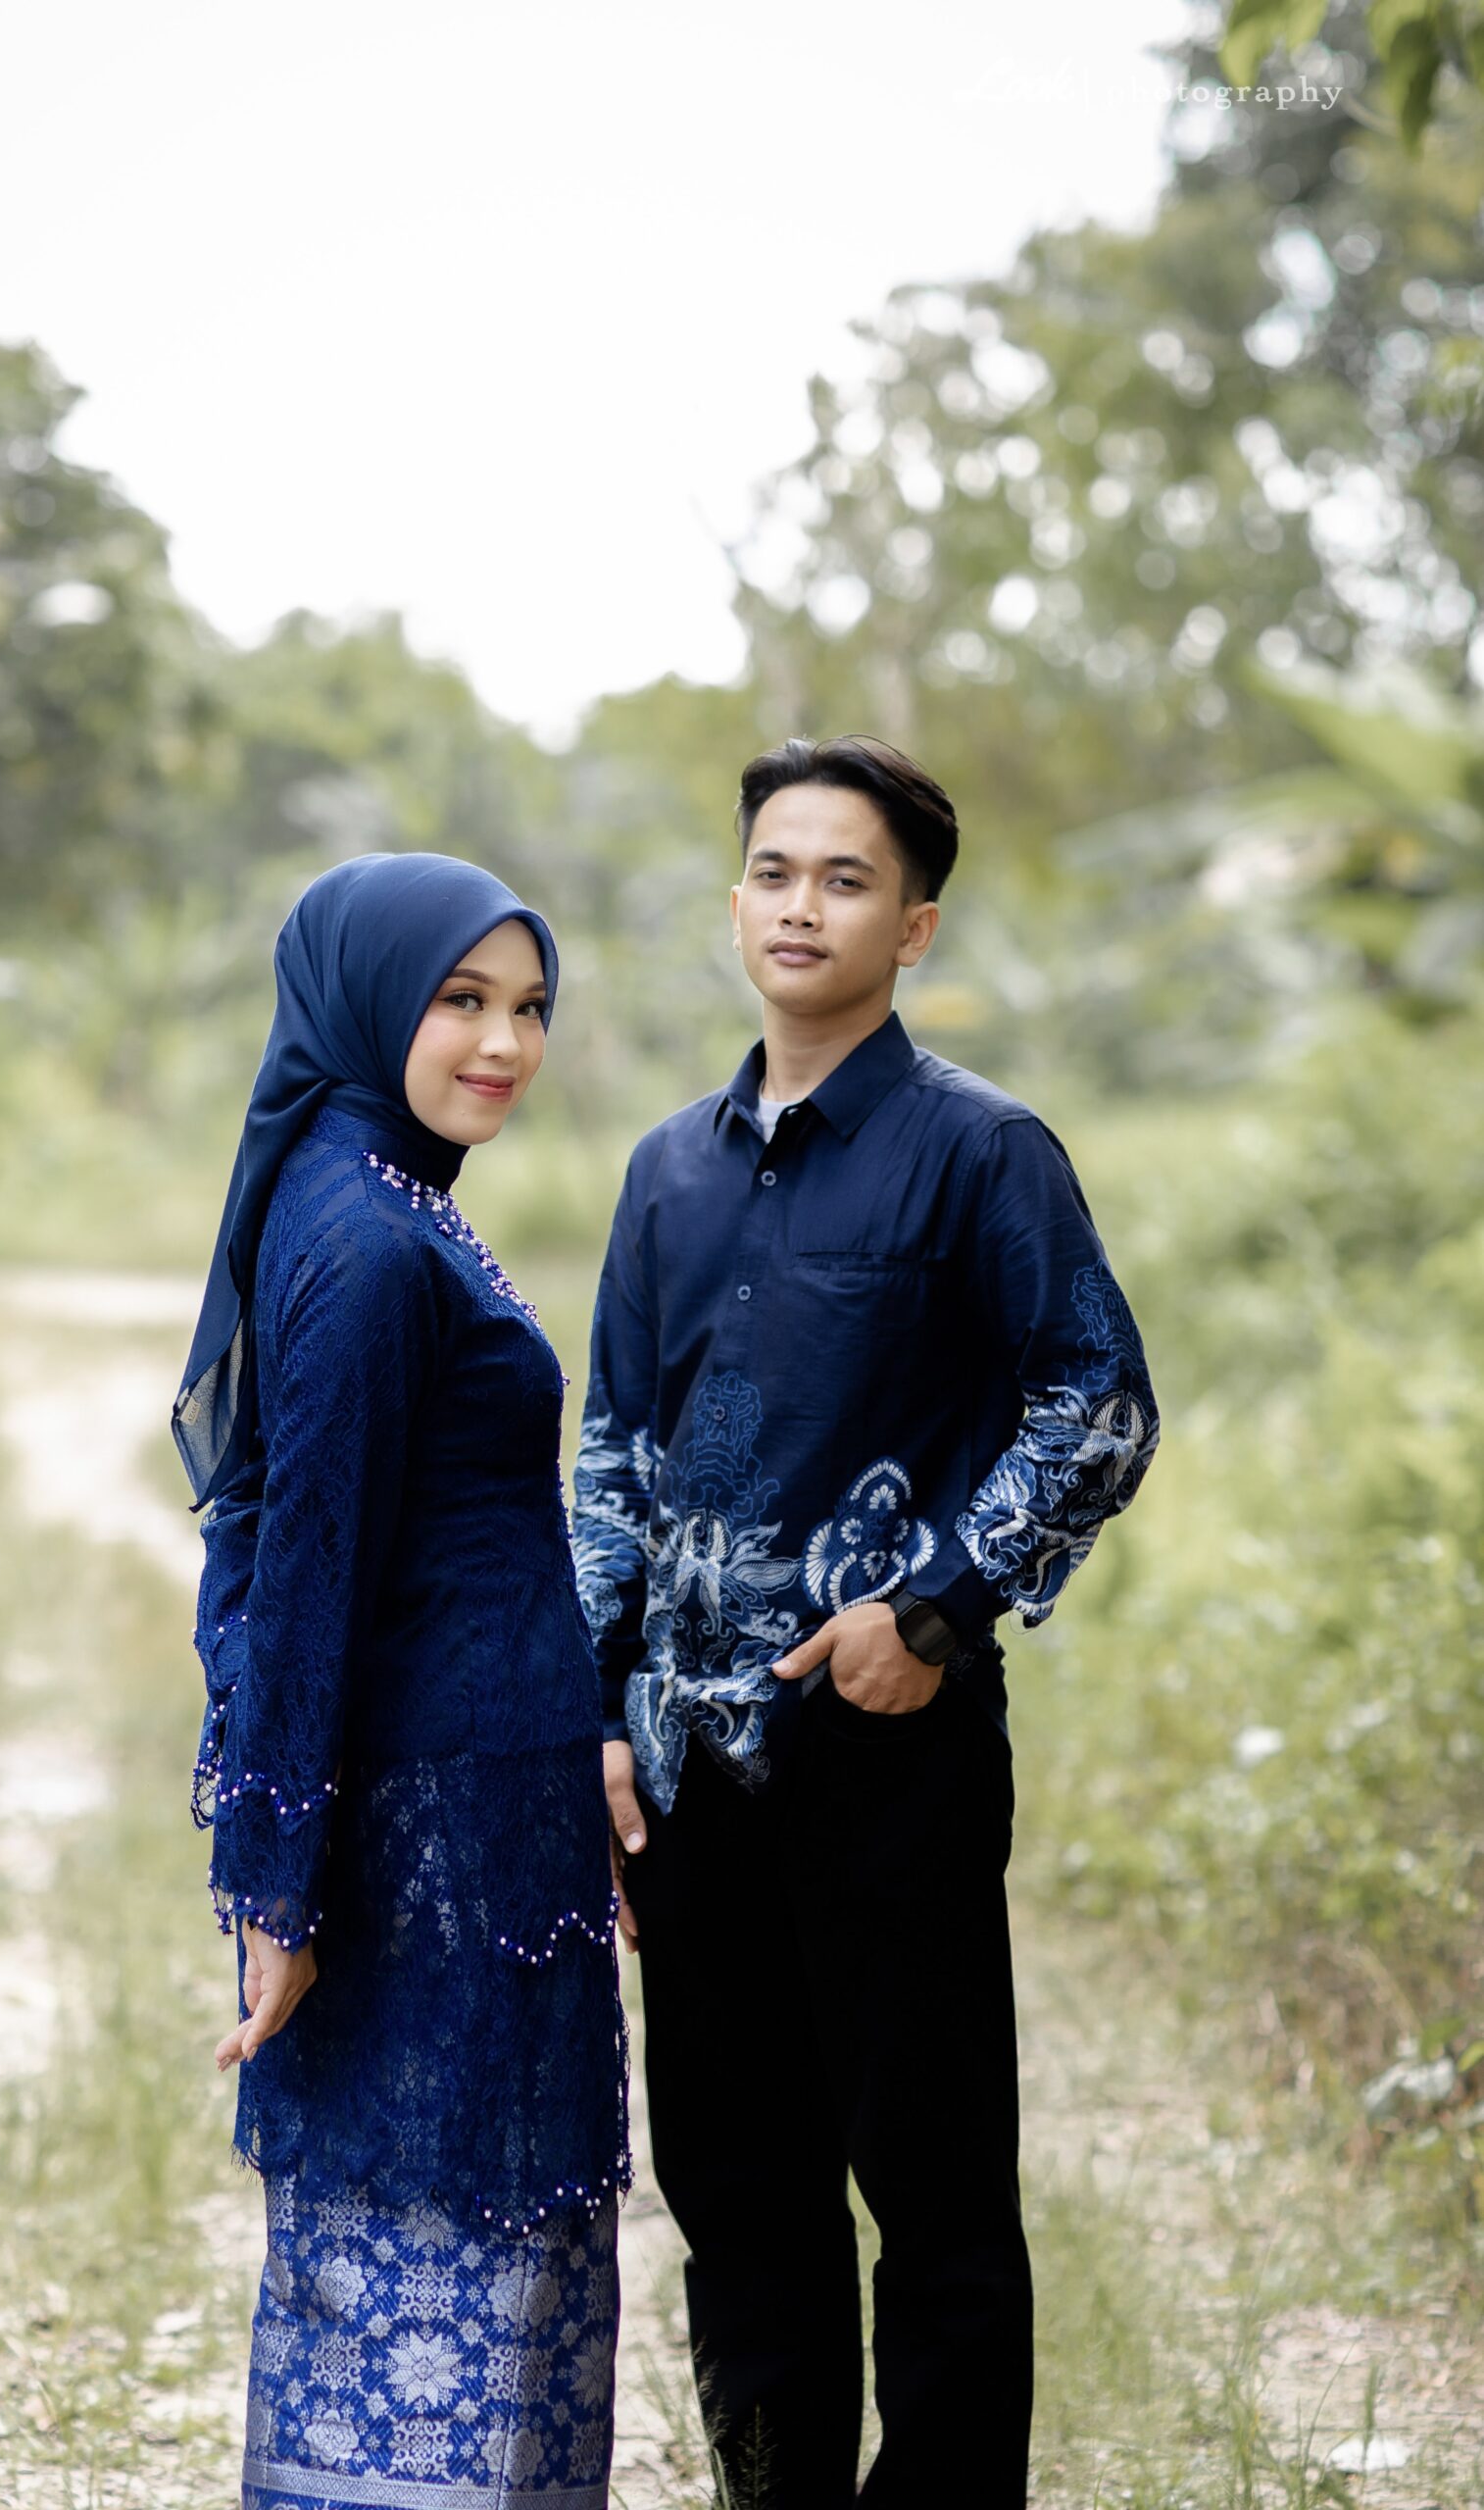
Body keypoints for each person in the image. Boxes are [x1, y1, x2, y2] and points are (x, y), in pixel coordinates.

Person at [572, 737, 1160, 2509]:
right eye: (773, 871)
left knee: (936, 2199)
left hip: (886, 1755)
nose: (799, 906)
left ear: (913, 927)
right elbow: (611, 1452)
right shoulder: (666, 1171)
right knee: (738, 2202)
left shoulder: (981, 1151)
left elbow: (1097, 1403)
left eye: (844, 879)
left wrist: (936, 1606)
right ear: (734, 898)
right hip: (689, 1778)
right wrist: (597, 1708)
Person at [173, 852, 630, 2510]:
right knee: (437, 2257)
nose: (504, 1043)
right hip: (433, 1846)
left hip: (477, 1813)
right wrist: (275, 1894)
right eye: (460, 1000)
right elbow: (308, 1577)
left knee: (466, 2262)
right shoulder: (369, 1239)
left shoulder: (381, 1194)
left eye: (529, 1007)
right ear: (368, 1001)